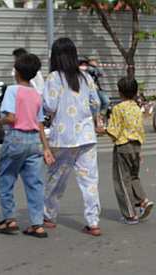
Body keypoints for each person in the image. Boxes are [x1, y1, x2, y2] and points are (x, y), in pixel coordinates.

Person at [43, 37, 102, 236]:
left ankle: (49, 216)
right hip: (87, 136)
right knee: (90, 182)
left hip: (63, 137)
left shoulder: (53, 78)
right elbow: (96, 103)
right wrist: (92, 118)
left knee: (56, 178)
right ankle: (93, 222)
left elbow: (49, 106)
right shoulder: (86, 77)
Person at [0, 53, 55, 238]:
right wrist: (46, 148)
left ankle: (9, 219)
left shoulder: (13, 90)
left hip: (16, 138)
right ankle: (37, 224)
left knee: (6, 178)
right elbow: (40, 124)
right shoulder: (36, 95)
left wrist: (0, 121)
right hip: (33, 142)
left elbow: (11, 117)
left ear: (17, 72)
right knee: (34, 183)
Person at [106, 76, 154, 225]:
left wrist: (101, 130)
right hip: (136, 146)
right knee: (134, 176)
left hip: (123, 146)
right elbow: (140, 130)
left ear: (120, 92)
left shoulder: (118, 108)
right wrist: (139, 152)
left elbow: (113, 130)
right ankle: (143, 200)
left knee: (122, 180)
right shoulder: (136, 108)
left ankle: (130, 214)